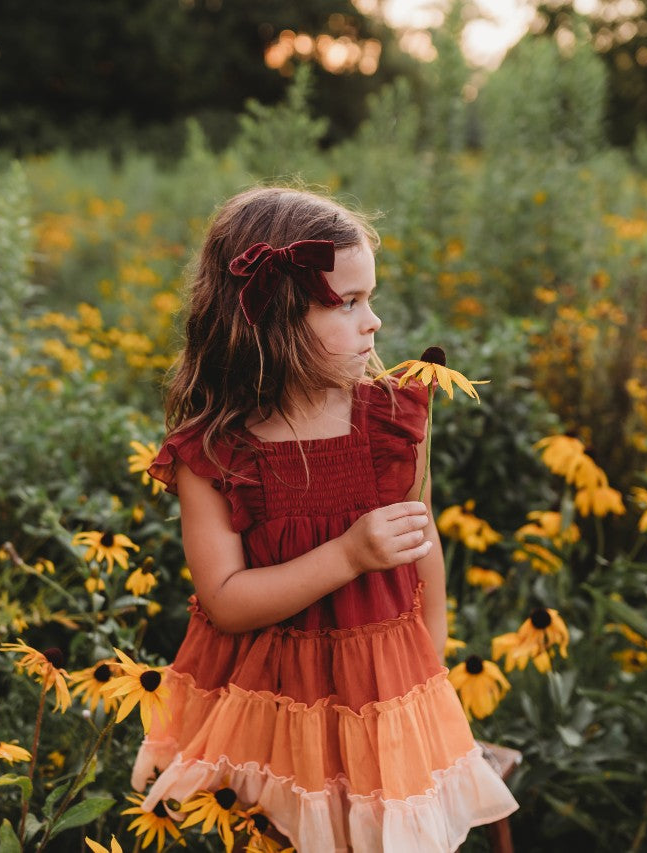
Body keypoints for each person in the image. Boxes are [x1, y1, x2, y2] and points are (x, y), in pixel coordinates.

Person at [131, 186, 518, 852]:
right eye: (347, 302)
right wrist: (347, 554)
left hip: (383, 692)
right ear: (269, 320)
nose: (373, 323)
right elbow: (225, 600)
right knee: (269, 829)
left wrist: (431, 675)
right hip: (264, 705)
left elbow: (422, 545)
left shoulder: (391, 422)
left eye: (370, 298)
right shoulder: (216, 452)